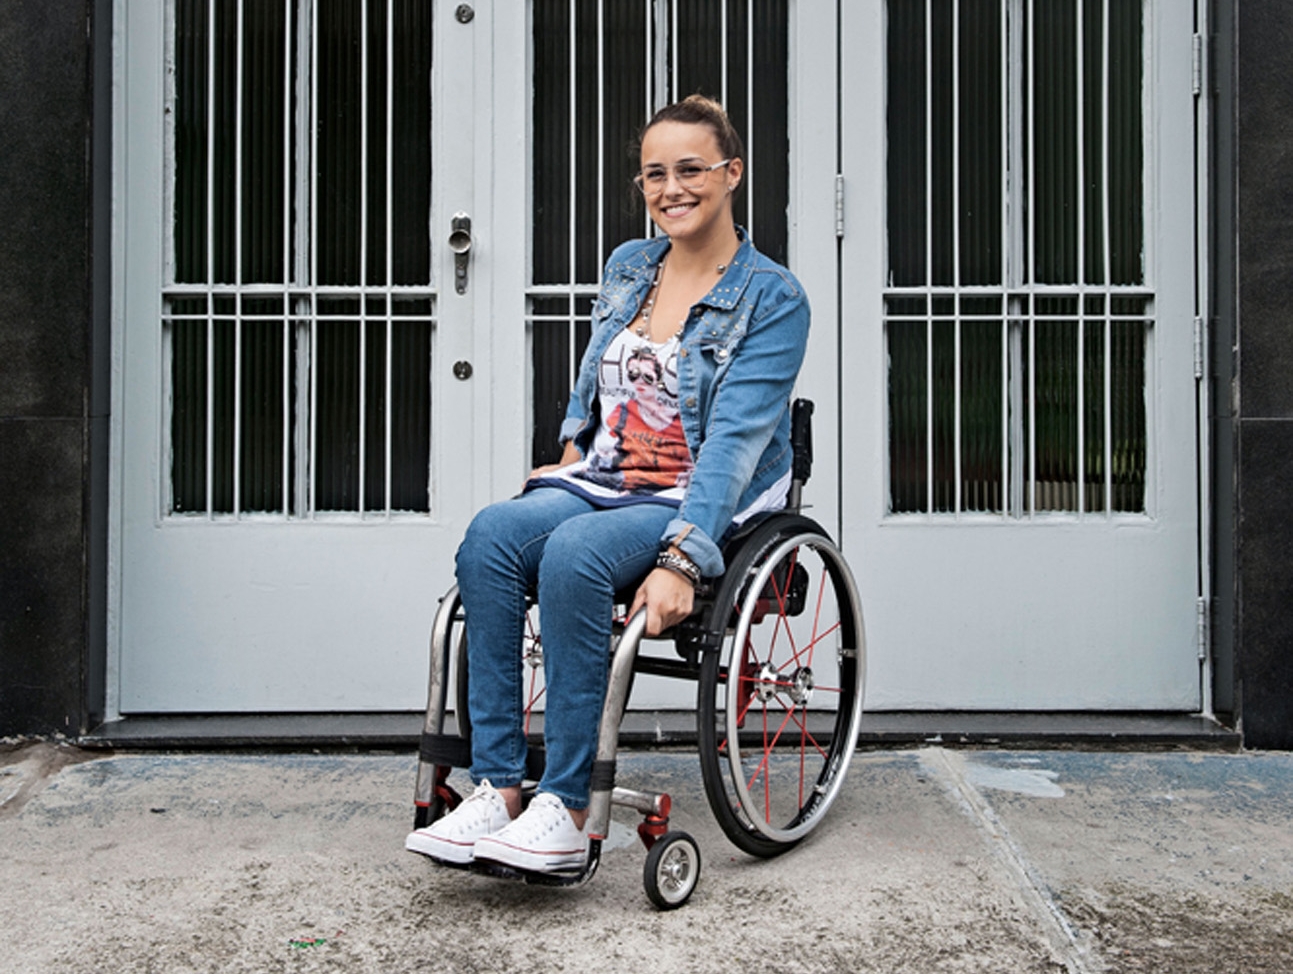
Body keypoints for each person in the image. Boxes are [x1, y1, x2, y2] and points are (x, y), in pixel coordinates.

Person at [405, 94, 811, 873]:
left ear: (732, 174)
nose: (671, 188)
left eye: (690, 169)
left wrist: (683, 561)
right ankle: (495, 786)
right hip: (606, 474)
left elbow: (731, 445)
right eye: (654, 174)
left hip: (694, 498)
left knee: (576, 555)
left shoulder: (772, 297)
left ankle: (561, 802)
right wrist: (567, 448)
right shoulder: (629, 266)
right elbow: (598, 377)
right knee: (492, 535)